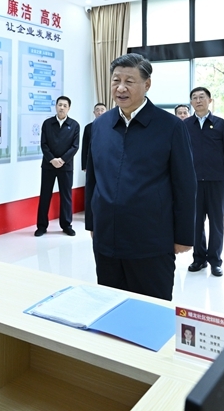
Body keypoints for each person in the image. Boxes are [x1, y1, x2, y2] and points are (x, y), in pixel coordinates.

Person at [85, 53, 196, 301]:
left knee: (151, 310)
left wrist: (184, 236)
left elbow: (185, 185)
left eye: (129, 81)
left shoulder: (170, 126)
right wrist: (92, 223)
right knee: (110, 305)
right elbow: (94, 177)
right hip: (107, 239)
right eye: (116, 80)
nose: (120, 88)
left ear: (147, 84)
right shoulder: (100, 126)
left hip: (151, 241)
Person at [184, 87, 224, 276]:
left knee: (216, 222)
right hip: (193, 181)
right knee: (196, 222)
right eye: (194, 98)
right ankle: (199, 259)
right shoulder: (185, 125)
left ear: (210, 100)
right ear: (191, 102)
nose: (198, 100)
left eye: (202, 97)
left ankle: (215, 260)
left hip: (216, 181)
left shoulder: (220, 124)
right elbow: (180, 154)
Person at [35, 95, 80, 237]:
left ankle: (66, 225)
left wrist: (62, 160)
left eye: (65, 106)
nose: (62, 108)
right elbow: (43, 144)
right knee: (45, 195)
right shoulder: (47, 123)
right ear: (55, 106)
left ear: (69, 108)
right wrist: (52, 159)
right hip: (48, 165)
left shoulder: (74, 125)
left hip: (66, 166)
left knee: (66, 196)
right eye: (59, 105)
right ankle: (41, 226)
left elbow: (75, 146)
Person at [80, 102, 106, 172]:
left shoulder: (111, 127)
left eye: (102, 110)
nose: (99, 112)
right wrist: (84, 165)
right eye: (97, 110)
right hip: (91, 161)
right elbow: (85, 147)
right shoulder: (88, 127)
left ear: (106, 112)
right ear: (94, 112)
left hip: (106, 162)